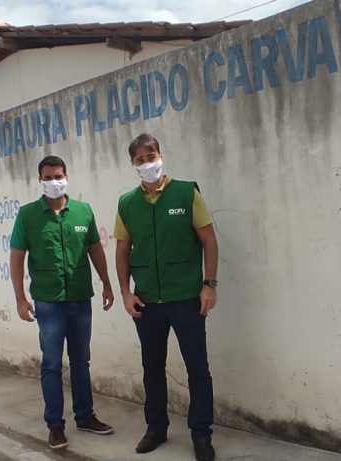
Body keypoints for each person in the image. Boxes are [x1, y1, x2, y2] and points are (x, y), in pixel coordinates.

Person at [114, 134, 219, 461]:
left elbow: (209, 241)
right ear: (132, 164)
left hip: (187, 298)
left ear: (160, 155)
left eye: (151, 156)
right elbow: (122, 250)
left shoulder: (186, 193)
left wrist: (209, 284)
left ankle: (201, 434)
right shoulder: (127, 203)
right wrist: (126, 293)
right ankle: (156, 428)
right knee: (152, 368)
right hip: (147, 303)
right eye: (140, 159)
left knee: (197, 368)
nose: (147, 163)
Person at [9, 155, 115, 450]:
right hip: (49, 303)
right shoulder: (28, 215)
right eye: (48, 177)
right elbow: (17, 258)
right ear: (40, 181)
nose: (54, 182)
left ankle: (85, 416)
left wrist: (107, 284)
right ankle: (55, 425)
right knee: (52, 365)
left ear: (66, 176)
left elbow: (95, 250)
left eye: (58, 176)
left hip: (80, 299)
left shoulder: (83, 211)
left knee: (81, 361)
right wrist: (20, 298)